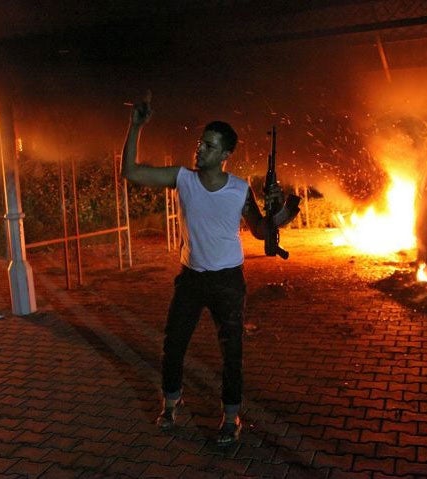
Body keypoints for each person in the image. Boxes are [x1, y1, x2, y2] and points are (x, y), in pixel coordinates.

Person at [121, 92, 298, 445]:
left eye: (211, 147)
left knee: (232, 353)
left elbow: (261, 230)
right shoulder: (182, 178)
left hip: (228, 282)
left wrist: (282, 212)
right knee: (173, 346)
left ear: (226, 155)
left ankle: (231, 419)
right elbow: (130, 172)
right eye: (202, 143)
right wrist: (135, 126)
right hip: (190, 278)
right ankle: (171, 403)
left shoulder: (239, 190)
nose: (201, 150)